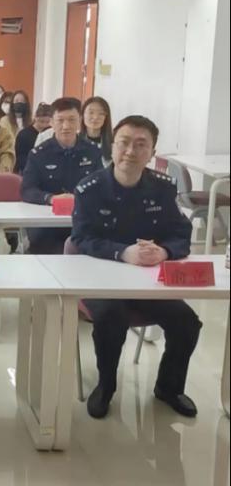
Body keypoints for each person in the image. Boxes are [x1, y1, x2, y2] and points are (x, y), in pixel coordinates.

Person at [72, 115, 200, 419]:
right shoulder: (89, 188)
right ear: (112, 147)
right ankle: (106, 386)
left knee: (186, 322)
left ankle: (169, 387)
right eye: (124, 143)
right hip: (100, 279)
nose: (130, 151)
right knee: (111, 318)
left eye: (141, 145)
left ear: (152, 153)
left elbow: (181, 233)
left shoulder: (163, 188)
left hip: (148, 281)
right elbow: (81, 238)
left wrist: (165, 251)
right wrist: (121, 252)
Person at [21, 97, 104, 254]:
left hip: (83, 222)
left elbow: (101, 186)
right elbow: (27, 190)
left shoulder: (92, 151)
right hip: (47, 226)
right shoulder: (38, 154)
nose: (66, 126)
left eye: (72, 120)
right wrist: (51, 198)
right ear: (52, 122)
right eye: (60, 120)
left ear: (79, 121)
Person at [14, 103, 52, 174]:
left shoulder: (52, 133)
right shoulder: (24, 134)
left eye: (48, 122)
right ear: (35, 118)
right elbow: (20, 157)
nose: (44, 125)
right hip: (29, 169)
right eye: (41, 121)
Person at [81, 96, 114, 161]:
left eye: (101, 113)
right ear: (82, 114)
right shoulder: (73, 141)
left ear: (106, 117)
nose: (95, 117)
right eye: (91, 112)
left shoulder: (114, 143)